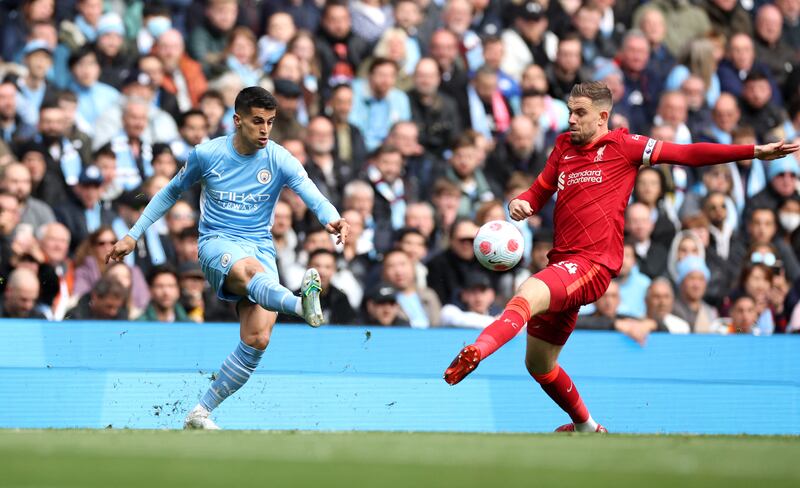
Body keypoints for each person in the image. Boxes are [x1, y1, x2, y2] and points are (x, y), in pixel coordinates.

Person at [443, 81, 798, 433]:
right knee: (539, 364)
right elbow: (537, 193)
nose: (570, 119)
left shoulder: (625, 146)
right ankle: (587, 427)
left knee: (526, 293)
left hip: (593, 265)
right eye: (568, 111)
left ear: (602, 116)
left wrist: (752, 151)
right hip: (563, 265)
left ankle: (477, 351)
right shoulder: (563, 148)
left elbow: (687, 154)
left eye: (579, 113)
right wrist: (519, 203)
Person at [105, 87, 349, 430]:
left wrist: (332, 218)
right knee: (249, 272)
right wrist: (133, 234)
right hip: (217, 244)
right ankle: (299, 306)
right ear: (237, 120)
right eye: (257, 121)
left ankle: (200, 412)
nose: (265, 129)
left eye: (271, 122)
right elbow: (170, 191)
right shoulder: (207, 155)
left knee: (257, 338)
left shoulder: (278, 158)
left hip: (260, 246)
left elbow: (310, 190)